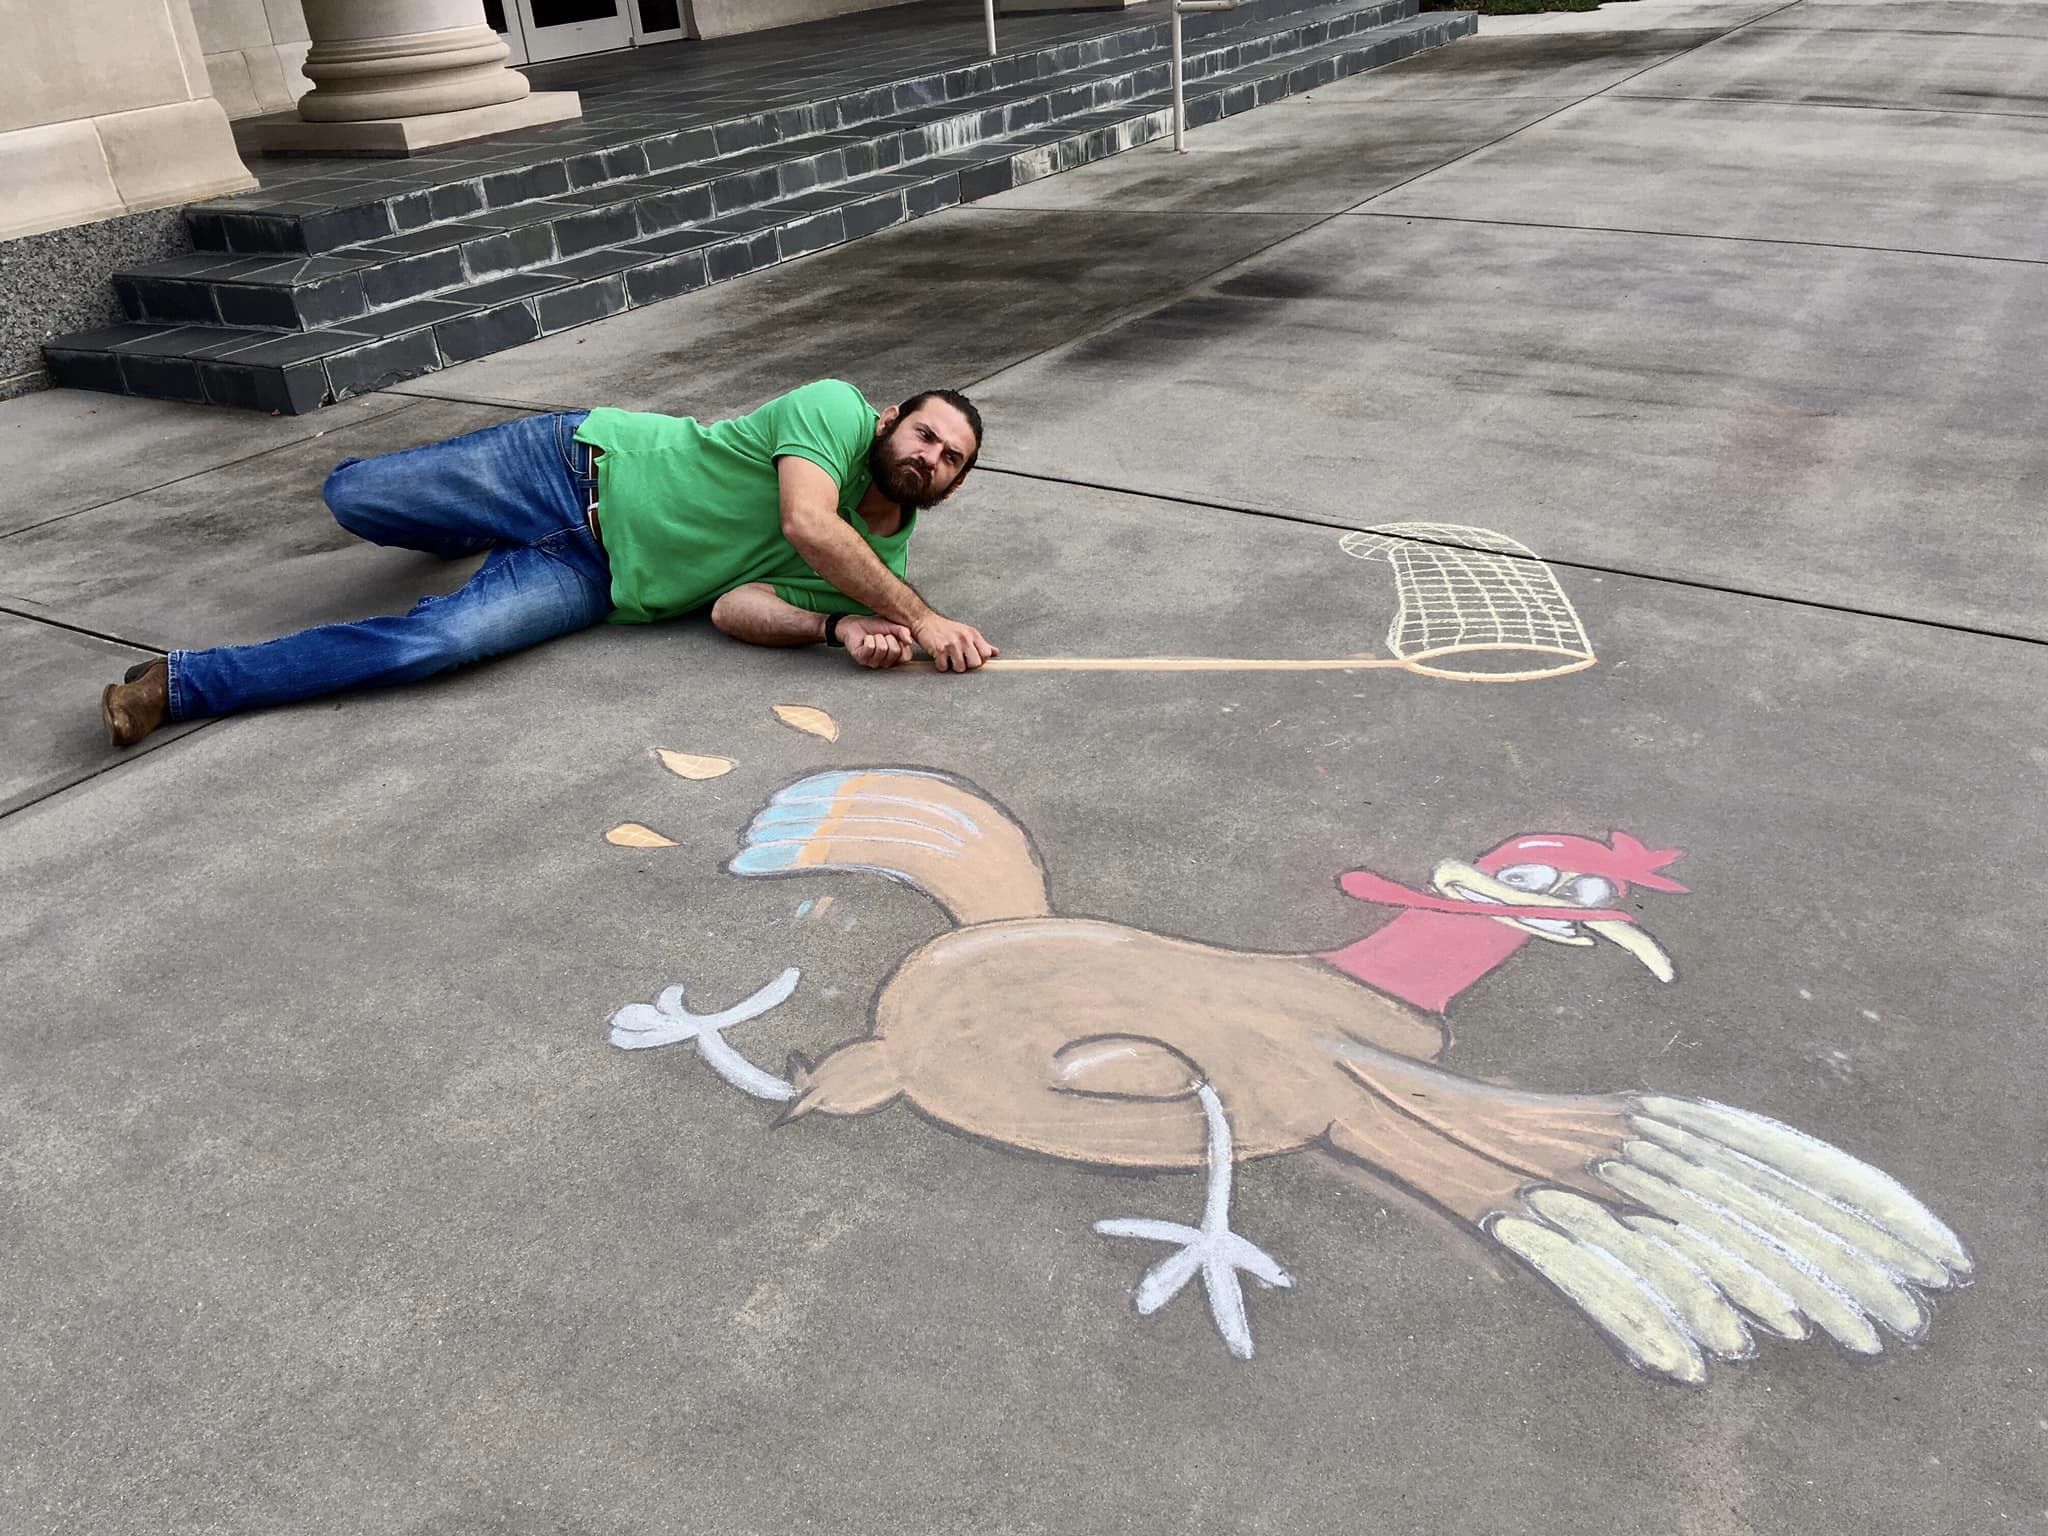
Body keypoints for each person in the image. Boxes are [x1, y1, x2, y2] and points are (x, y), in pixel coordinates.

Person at [99, 379, 998, 747]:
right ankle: (463, 518)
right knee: (355, 499)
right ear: (889, 420)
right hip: (571, 464)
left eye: (951, 459)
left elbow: (736, 609)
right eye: (926, 434)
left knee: (439, 644)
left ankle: (182, 684)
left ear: (953, 486)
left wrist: (837, 626)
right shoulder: (834, 412)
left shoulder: (876, 560)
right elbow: (807, 522)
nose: (931, 457)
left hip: (592, 577)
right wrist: (921, 620)